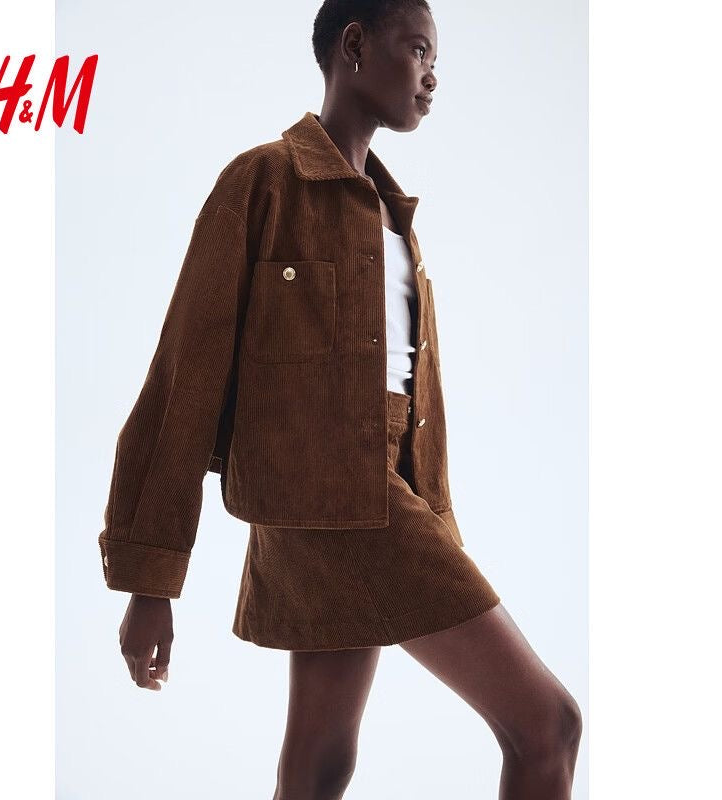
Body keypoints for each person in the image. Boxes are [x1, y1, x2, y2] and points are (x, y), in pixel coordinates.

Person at [100, 1, 583, 797]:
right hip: (330, 503)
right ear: (355, 45)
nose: (432, 76)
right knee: (549, 726)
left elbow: (406, 401)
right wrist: (150, 579)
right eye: (418, 50)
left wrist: (436, 523)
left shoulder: (393, 217)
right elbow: (185, 375)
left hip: (377, 496)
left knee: (320, 760)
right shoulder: (264, 180)